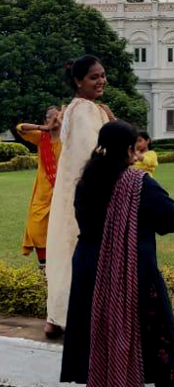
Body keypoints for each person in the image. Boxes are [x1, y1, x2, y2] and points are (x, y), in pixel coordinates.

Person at [61, 121, 174, 387]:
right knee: (159, 343)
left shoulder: (86, 181)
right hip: (132, 273)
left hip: (90, 272)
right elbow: (171, 219)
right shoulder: (138, 184)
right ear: (131, 149)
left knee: (96, 338)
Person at [45, 55, 113, 338]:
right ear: (78, 81)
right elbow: (94, 154)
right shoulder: (84, 110)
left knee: (66, 247)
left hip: (73, 192)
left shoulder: (82, 108)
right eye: (94, 77)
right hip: (88, 193)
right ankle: (77, 317)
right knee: (83, 250)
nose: (101, 81)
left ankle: (57, 316)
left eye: (102, 75)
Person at [16, 106, 64, 270]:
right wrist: (43, 128)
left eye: (59, 115)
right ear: (46, 120)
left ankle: (60, 266)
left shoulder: (68, 138)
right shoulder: (41, 137)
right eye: (52, 116)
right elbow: (20, 128)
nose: (56, 119)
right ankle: (43, 266)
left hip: (64, 192)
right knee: (36, 227)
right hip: (43, 192)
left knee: (64, 230)